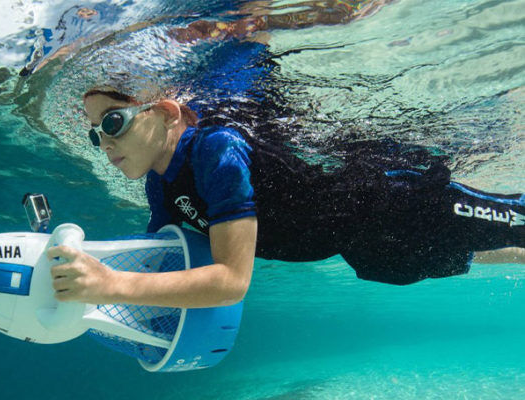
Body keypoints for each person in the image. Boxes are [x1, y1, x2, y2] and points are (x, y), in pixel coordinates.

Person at [46, 88, 524, 309]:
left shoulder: (215, 148)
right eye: (94, 133)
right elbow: (160, 262)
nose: (103, 142)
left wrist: (112, 286)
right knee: (482, 250)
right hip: (364, 248)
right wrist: (82, 274)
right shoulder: (159, 185)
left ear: (167, 112)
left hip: (395, 200)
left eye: (112, 122)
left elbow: (231, 282)